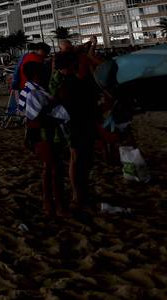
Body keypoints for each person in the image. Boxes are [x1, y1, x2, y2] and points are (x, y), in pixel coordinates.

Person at [51, 50, 99, 212]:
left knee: (77, 159)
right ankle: (78, 196)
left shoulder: (61, 80)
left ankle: (79, 195)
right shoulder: (69, 83)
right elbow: (79, 107)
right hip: (77, 126)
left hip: (72, 126)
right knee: (78, 160)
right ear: (73, 65)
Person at [22, 62, 67, 217]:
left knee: (49, 169)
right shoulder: (33, 92)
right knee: (55, 170)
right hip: (43, 137)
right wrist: (55, 102)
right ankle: (57, 205)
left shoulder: (35, 89)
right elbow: (35, 117)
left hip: (44, 136)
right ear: (37, 75)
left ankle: (49, 203)